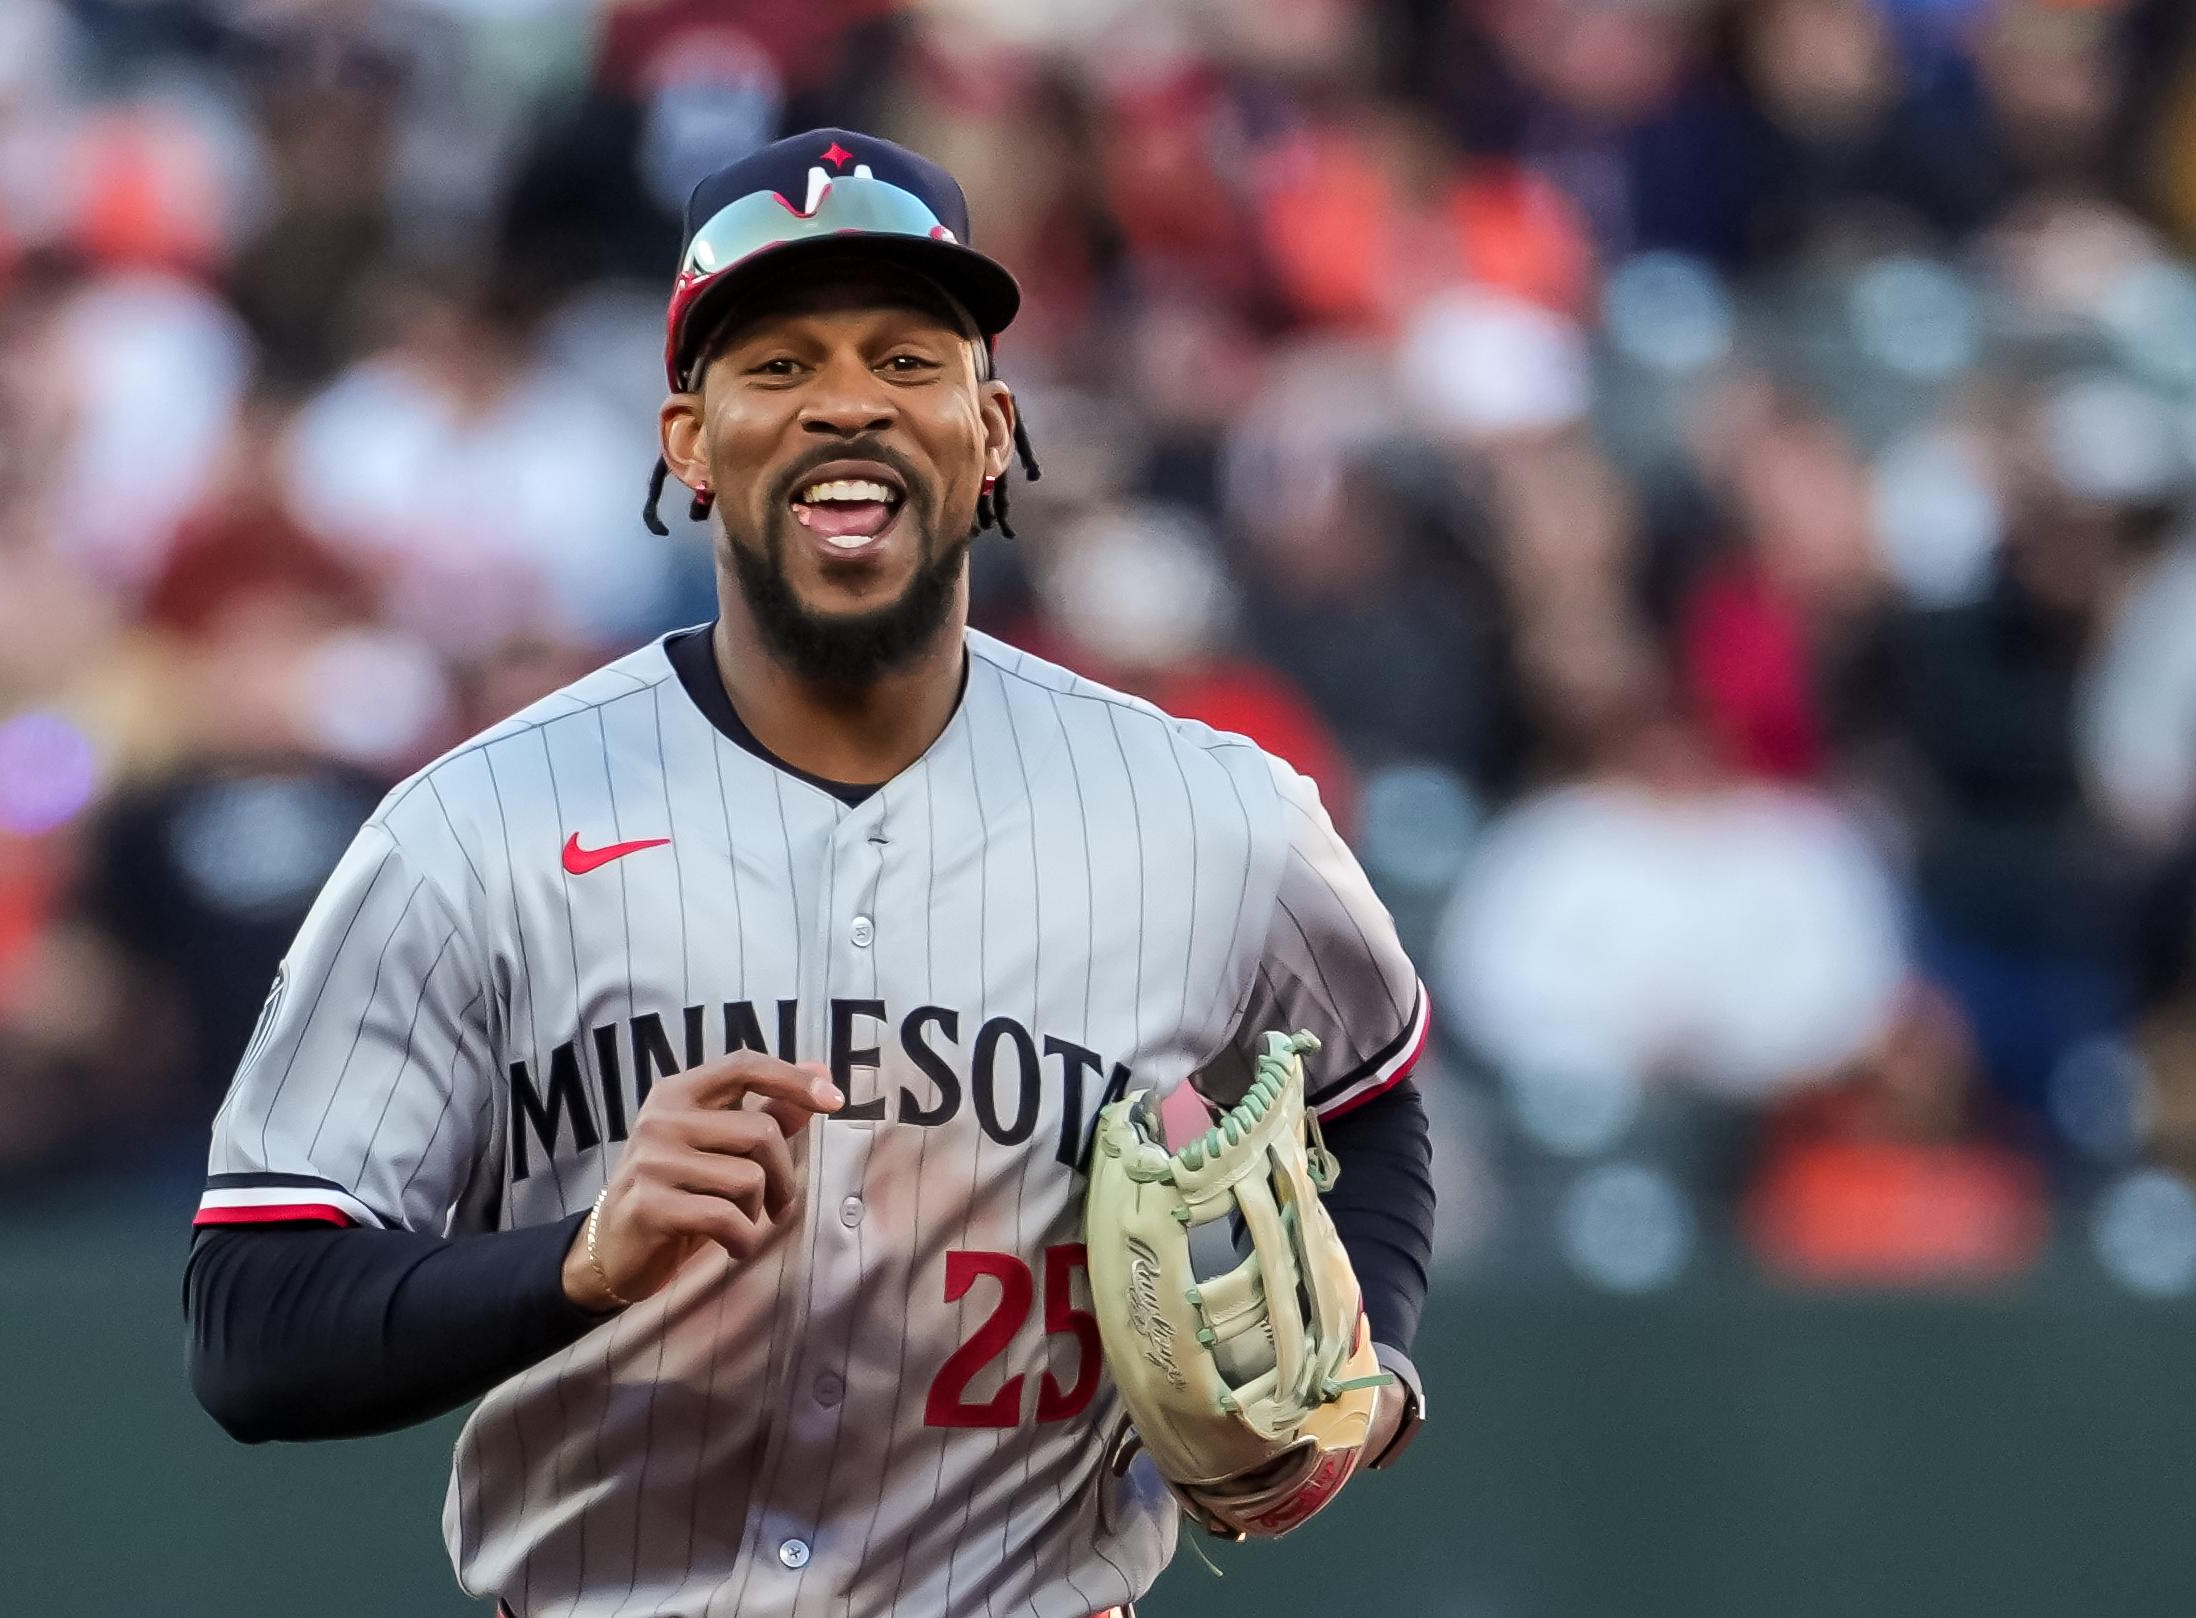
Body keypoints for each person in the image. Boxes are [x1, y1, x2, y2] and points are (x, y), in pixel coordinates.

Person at [182, 129, 1438, 1618]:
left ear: (993, 428)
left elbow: (1374, 1086)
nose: (847, 402)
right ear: (689, 442)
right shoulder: (474, 826)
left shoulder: (1208, 812)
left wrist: (1373, 1370)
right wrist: (578, 1260)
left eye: (909, 359)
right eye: (775, 365)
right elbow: (255, 1321)